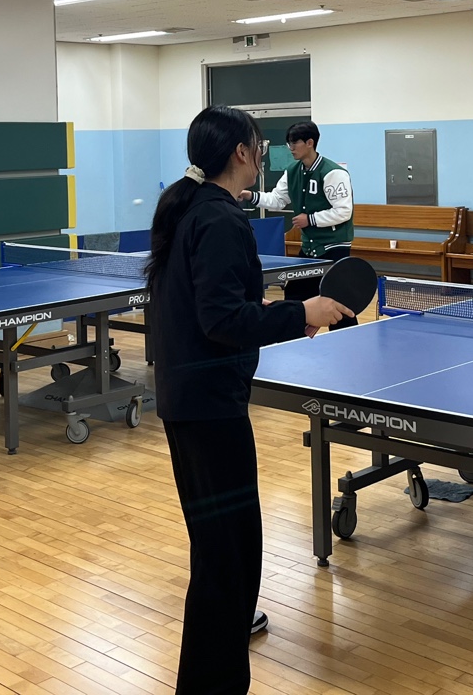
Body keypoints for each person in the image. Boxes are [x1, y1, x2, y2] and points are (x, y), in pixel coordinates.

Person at [146, 106, 352, 694]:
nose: (263, 154)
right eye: (259, 146)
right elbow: (221, 320)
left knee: (220, 551)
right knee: (230, 556)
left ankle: (213, 667)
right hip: (210, 406)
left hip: (187, 398)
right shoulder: (220, 219)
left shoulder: (191, 210)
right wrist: (302, 310)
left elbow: (208, 308)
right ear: (241, 152)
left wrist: (271, 314)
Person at [240, 120, 356, 329]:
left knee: (338, 301)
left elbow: (343, 211)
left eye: (295, 143)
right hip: (309, 247)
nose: (291, 148)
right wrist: (251, 195)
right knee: (295, 294)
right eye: (289, 143)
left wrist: (310, 219)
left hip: (334, 246)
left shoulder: (333, 173)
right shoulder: (292, 171)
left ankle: (347, 338)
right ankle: (295, 338)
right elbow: (277, 199)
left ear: (310, 143)